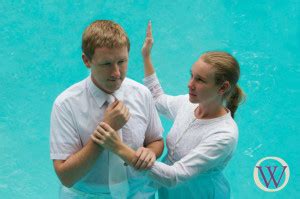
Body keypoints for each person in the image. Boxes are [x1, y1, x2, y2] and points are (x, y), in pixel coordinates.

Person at [92, 21, 245, 198]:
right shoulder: (188, 105)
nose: (190, 84)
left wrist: (118, 147)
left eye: (200, 80)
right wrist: (146, 56)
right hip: (169, 193)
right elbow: (157, 98)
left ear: (223, 87)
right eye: (191, 75)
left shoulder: (224, 135)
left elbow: (174, 175)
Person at [50, 20, 164, 198]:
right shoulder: (65, 105)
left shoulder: (142, 94)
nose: (117, 73)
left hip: (138, 193)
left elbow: (156, 141)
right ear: (86, 61)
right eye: (106, 64)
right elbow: (66, 176)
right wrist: (105, 130)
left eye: (122, 61)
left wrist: (150, 152)